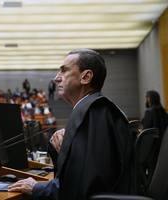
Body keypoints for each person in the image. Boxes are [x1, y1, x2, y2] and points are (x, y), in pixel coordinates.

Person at [8, 49, 134, 199]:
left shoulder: (92, 112)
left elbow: (81, 189)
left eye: (64, 71)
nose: (56, 78)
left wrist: (36, 187)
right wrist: (67, 147)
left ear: (85, 77)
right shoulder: (96, 110)